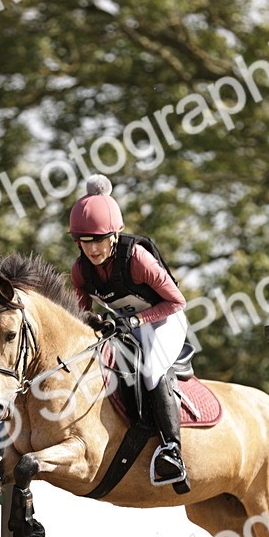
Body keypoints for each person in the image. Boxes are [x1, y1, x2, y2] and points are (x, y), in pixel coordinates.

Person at [68, 175, 190, 486]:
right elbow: (82, 314)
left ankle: (172, 450)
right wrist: (93, 323)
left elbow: (177, 301)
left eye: (99, 239)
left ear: (115, 234)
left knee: (150, 371)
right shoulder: (81, 271)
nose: (92, 249)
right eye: (85, 240)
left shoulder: (136, 258)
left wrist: (135, 322)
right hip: (125, 325)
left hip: (165, 320)